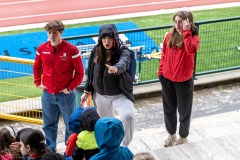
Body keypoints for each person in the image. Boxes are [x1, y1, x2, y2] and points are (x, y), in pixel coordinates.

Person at [33, 20, 85, 152]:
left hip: (66, 95)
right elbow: (37, 66)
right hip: (48, 94)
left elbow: (80, 72)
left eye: (54, 33)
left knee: (70, 124)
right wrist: (38, 82)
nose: (51, 36)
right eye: (49, 32)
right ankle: (50, 149)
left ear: (60, 33)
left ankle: (70, 149)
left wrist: (70, 88)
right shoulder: (41, 48)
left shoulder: (72, 50)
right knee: (48, 125)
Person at [81, 24, 135, 146]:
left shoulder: (123, 51)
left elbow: (124, 62)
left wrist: (116, 69)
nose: (106, 41)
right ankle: (112, 148)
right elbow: (90, 72)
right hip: (100, 95)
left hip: (120, 94)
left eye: (109, 38)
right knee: (107, 124)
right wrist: (86, 91)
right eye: (104, 38)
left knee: (128, 116)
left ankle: (125, 146)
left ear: (114, 38)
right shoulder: (96, 50)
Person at [158, 10, 200, 147]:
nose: (177, 25)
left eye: (181, 22)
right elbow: (164, 55)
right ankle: (171, 134)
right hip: (167, 80)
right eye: (175, 22)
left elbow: (191, 50)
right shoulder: (169, 36)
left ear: (188, 22)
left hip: (184, 81)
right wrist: (161, 73)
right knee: (169, 110)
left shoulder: (193, 38)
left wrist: (187, 32)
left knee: (184, 111)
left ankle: (183, 137)